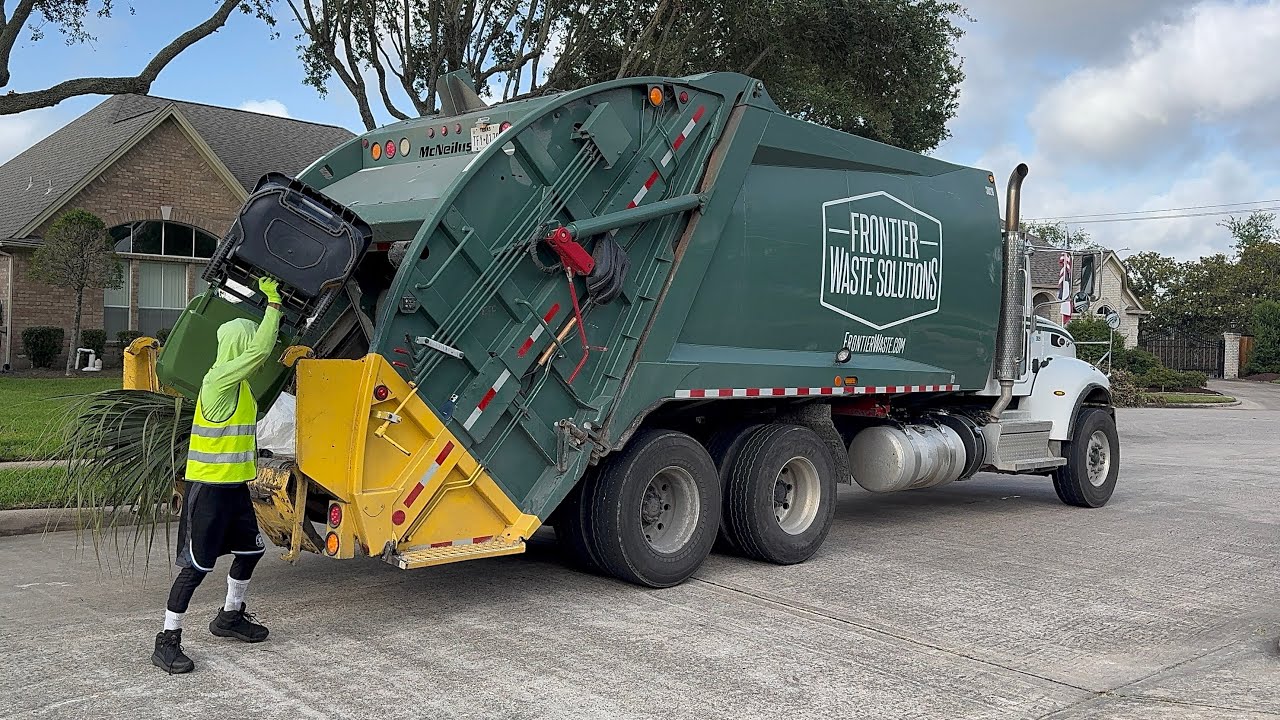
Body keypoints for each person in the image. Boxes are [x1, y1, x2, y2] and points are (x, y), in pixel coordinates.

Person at [153, 276, 283, 674]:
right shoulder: (218, 380)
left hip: (234, 489)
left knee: (251, 551)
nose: (253, 349)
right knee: (196, 568)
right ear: (238, 346)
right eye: (249, 342)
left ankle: (229, 616)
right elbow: (261, 350)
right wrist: (273, 304)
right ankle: (167, 640)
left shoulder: (241, 387)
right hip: (208, 491)